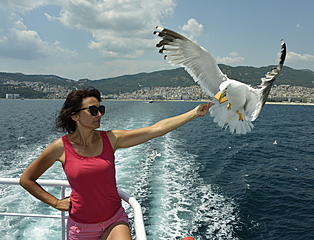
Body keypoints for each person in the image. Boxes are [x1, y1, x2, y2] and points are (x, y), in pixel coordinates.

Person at [19, 87, 212, 240]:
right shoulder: (60, 147)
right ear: (75, 116)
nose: (99, 115)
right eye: (92, 110)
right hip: (81, 227)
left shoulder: (111, 139)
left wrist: (194, 113)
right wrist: (55, 202)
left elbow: (155, 129)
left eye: (100, 109)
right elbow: (27, 179)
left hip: (114, 220)